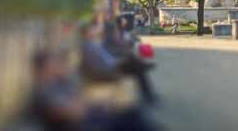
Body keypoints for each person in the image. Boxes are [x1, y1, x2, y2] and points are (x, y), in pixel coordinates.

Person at [29, 49, 159, 131]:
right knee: (130, 118)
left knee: (131, 113)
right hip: (86, 125)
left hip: (91, 117)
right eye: (53, 63)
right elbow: (73, 113)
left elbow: (79, 98)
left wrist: (93, 102)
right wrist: (88, 102)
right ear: (43, 68)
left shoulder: (59, 83)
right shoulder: (44, 91)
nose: (57, 66)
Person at [79, 22, 156, 105]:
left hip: (112, 66)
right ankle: (143, 70)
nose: (94, 31)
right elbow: (99, 65)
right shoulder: (88, 47)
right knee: (134, 65)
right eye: (91, 30)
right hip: (109, 70)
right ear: (86, 33)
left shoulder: (92, 44)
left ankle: (142, 69)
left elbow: (106, 57)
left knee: (133, 63)